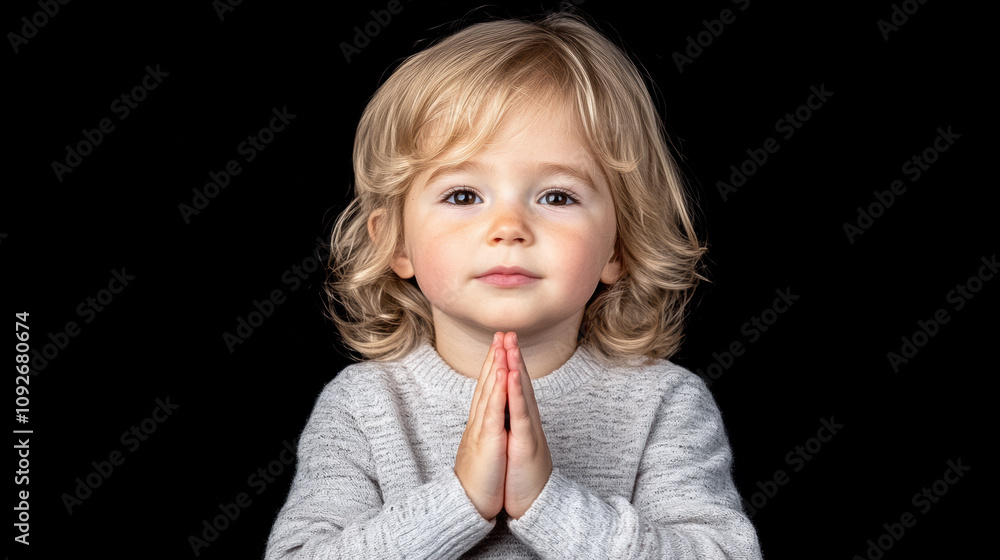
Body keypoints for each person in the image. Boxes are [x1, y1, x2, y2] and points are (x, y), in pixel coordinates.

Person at [265, 10, 763, 559]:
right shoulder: (363, 406)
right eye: (463, 196)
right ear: (397, 243)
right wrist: (459, 502)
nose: (508, 227)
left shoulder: (664, 404)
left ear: (618, 246)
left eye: (556, 197)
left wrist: (547, 503)